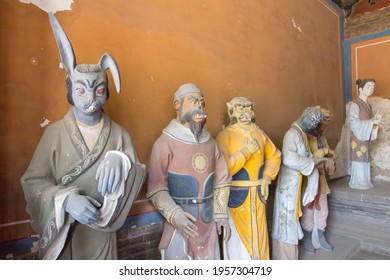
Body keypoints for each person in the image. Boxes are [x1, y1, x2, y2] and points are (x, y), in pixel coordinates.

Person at [20, 13, 146, 260]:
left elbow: (139, 173)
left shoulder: (119, 134)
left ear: (106, 90)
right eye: (81, 90)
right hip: (66, 234)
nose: (90, 98)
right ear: (70, 90)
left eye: (98, 90)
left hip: (103, 234)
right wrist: (65, 202)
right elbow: (32, 183)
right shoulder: (55, 133)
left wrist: (121, 160)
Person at [146, 83, 231, 260]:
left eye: (202, 102)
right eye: (193, 101)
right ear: (178, 105)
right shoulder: (164, 143)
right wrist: (175, 215)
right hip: (181, 223)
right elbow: (156, 188)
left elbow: (222, 179)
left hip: (208, 224)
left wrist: (221, 215)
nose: (199, 106)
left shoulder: (211, 143)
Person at [216, 97, 281, 260]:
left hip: (258, 196)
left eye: (248, 107)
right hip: (237, 197)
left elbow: (275, 156)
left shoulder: (259, 133)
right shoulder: (225, 136)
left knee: (260, 235)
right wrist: (246, 151)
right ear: (231, 110)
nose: (246, 111)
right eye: (240, 107)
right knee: (238, 241)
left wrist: (267, 177)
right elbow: (224, 168)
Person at [272, 107, 328, 260]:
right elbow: (288, 159)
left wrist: (313, 174)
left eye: (316, 122)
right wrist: (312, 162)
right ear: (304, 116)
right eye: (312, 120)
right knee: (286, 221)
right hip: (288, 186)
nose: (313, 125)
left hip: (296, 184)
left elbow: (309, 158)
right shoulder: (291, 134)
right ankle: (283, 257)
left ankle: (292, 256)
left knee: (292, 220)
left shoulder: (301, 134)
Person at [300, 107, 336, 254]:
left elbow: (328, 155)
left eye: (326, 123)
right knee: (308, 211)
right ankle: (307, 238)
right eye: (322, 122)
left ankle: (320, 236)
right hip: (309, 180)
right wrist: (325, 152)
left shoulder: (323, 138)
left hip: (321, 179)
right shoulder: (305, 138)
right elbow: (307, 157)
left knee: (323, 210)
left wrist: (330, 161)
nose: (324, 126)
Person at [349, 79, 382, 190]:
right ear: (360, 89)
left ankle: (364, 181)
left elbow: (370, 122)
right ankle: (358, 182)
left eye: (373, 87)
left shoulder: (368, 105)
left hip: (365, 135)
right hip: (358, 136)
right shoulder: (355, 104)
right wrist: (372, 122)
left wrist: (375, 120)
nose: (371, 89)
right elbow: (354, 123)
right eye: (368, 87)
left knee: (365, 157)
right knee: (359, 157)